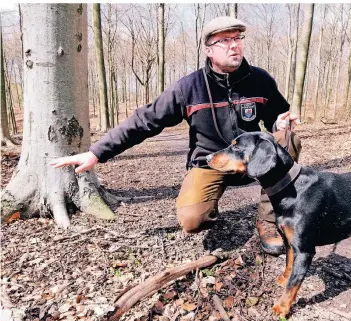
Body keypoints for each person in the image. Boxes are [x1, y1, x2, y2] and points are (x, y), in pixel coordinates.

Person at [51, 16, 302, 256]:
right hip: (211, 163)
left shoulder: (260, 80)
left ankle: (269, 220)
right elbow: (144, 120)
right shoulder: (189, 87)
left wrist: (278, 122)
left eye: (237, 37)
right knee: (193, 220)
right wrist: (97, 152)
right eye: (224, 40)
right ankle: (207, 204)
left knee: (288, 138)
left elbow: (277, 115)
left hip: (251, 160)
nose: (234, 44)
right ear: (208, 50)